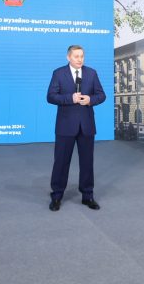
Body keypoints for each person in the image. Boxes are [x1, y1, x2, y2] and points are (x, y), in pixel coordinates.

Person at [47, 44, 105, 211]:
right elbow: (50, 96)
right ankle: (56, 196)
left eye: (82, 56)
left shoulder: (91, 73)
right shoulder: (58, 73)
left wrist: (90, 100)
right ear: (68, 57)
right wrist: (69, 98)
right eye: (76, 56)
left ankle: (88, 196)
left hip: (86, 125)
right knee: (61, 162)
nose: (80, 59)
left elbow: (101, 95)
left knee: (87, 163)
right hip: (65, 126)